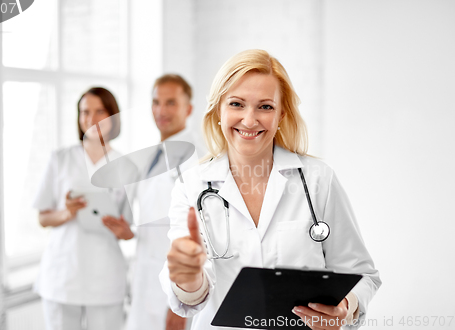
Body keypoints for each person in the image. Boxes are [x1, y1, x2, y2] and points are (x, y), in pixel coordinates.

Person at [160, 50, 381, 330]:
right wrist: (189, 280)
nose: (250, 120)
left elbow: (363, 274)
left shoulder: (317, 180)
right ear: (219, 111)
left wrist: (346, 307)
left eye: (265, 107)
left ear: (281, 115)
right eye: (237, 104)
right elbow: (190, 297)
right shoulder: (191, 187)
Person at [33, 87, 134, 330]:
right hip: (63, 274)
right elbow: (43, 218)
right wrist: (67, 212)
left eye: (100, 111)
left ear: (113, 116)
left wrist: (121, 230)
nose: (92, 119)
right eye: (85, 112)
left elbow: (128, 229)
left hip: (105, 276)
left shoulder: (126, 166)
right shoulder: (60, 159)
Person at [126, 74, 204, 330]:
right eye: (156, 102)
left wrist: (183, 305)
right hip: (146, 278)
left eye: (171, 102)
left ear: (188, 108)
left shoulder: (194, 161)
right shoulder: (153, 155)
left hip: (173, 288)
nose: (161, 110)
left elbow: (200, 231)